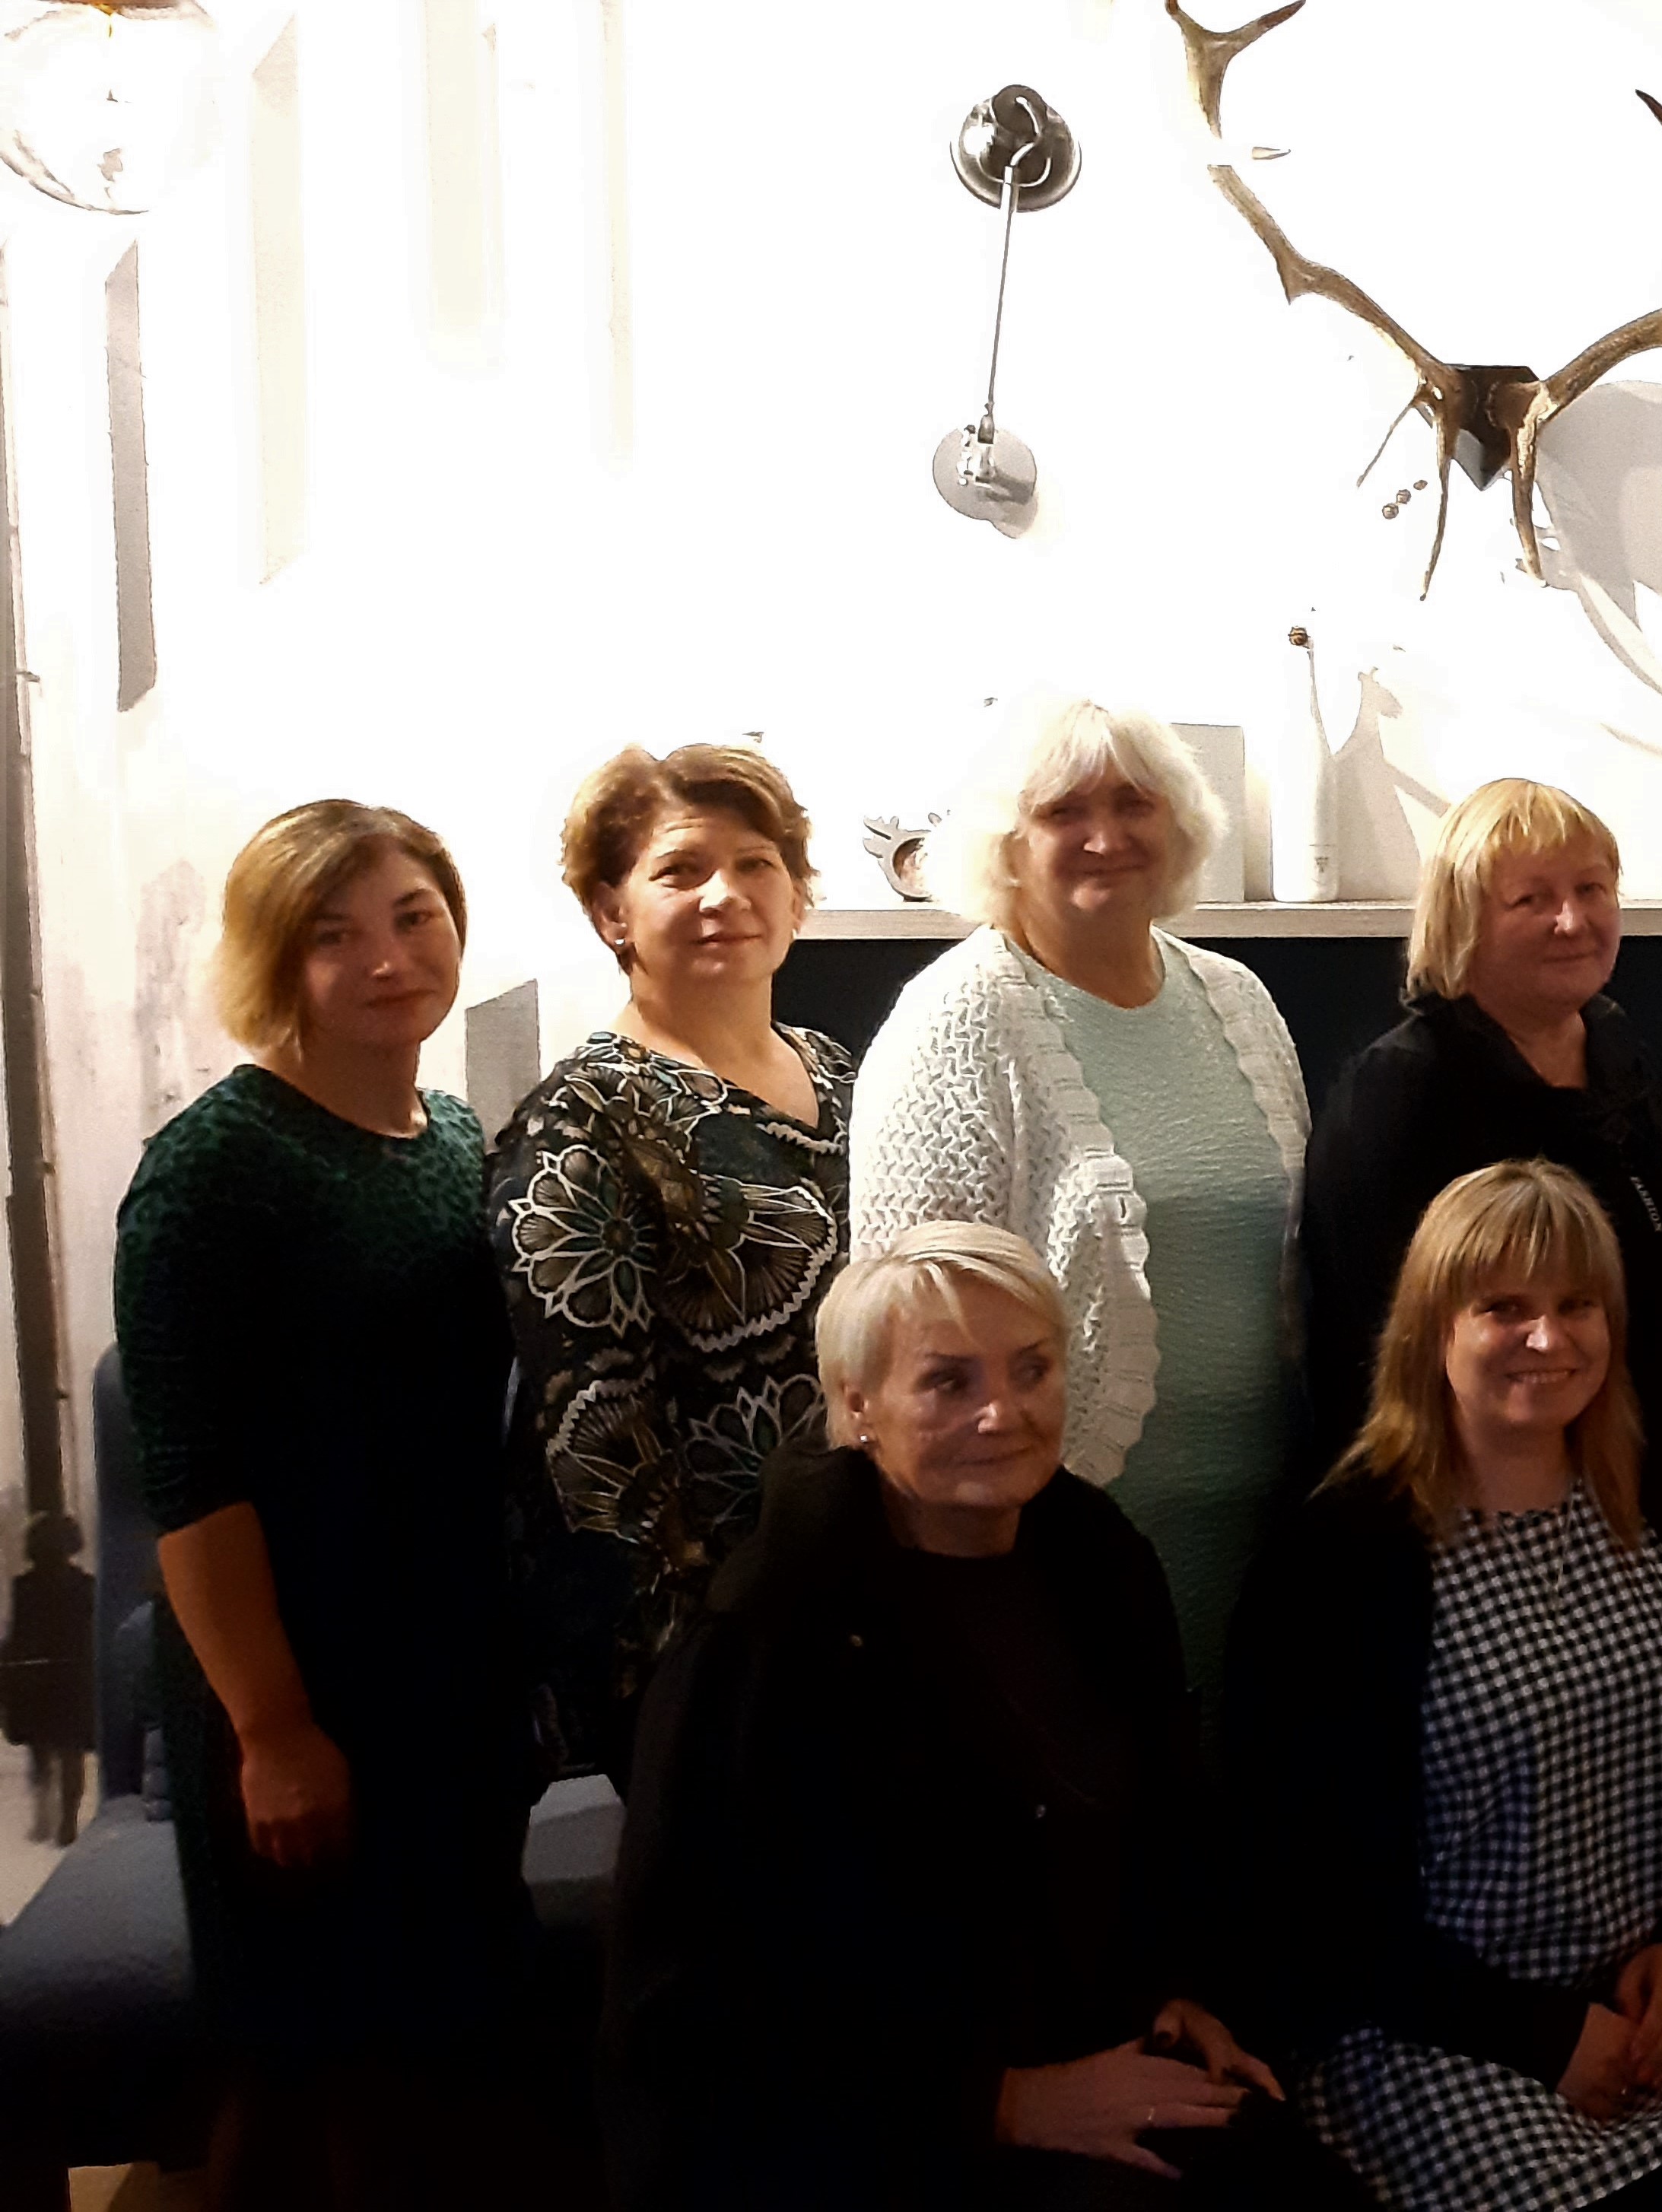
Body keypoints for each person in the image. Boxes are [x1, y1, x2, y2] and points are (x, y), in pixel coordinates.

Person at [606, 1222, 1292, 2210]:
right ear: (859, 1406)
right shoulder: (766, 1640)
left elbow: (1164, 1831)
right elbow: (693, 2020)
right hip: (876, 2140)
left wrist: (1180, 1988)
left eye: (1032, 1369)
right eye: (947, 1382)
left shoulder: (1101, 1563)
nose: (1002, 1412)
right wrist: (1001, 2103)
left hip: (1099, 2056)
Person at [1226, 1162, 1662, 2210]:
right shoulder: (1344, 1554)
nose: (1549, 1338)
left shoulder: (1636, 1504)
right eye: (1504, 1307)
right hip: (1427, 2030)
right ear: (1431, 1329)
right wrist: (1538, 2034)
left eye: (1577, 1305)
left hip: (1638, 2001)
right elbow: (1313, 1898)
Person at [115, 802, 539, 2208]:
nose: (387, 958)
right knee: (311, 2067)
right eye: (333, 934)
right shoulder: (213, 1167)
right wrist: (274, 1731)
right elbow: (191, 1482)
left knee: (446, 2048)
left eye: (414, 916)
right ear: (275, 960)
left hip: (445, 1672)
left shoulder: (451, 1133)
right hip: (299, 1683)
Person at [851, 695, 1311, 1701]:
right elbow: (903, 1334)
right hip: (1061, 1550)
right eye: (1064, 811)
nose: (1107, 836)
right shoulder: (952, 1024)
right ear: (1006, 843)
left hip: (1265, 1528)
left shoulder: (1239, 1001)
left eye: (1134, 803)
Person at [491, 742, 855, 1779]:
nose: (723, 895)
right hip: (709, 1638)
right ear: (612, 912)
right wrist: (705, 1645)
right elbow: (594, 1433)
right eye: (680, 870)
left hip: (861, 1590)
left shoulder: (841, 1071)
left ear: (796, 898)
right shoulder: (579, 1121)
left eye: (755, 864)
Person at [1298, 778, 1662, 1470]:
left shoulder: (1623, 1055)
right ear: (1461, 919)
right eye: (1532, 900)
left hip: (1638, 1466)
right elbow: (1373, 1344)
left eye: (1591, 889)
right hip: (1468, 1486)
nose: (1572, 921)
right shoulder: (1400, 1091)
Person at [5, 1508, 95, 1848]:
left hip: (36, 1677)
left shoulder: (23, 1587)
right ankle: (68, 1820)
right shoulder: (85, 1586)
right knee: (72, 1752)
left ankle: (43, 1814)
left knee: (40, 1749)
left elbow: (18, 1635)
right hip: (73, 1676)